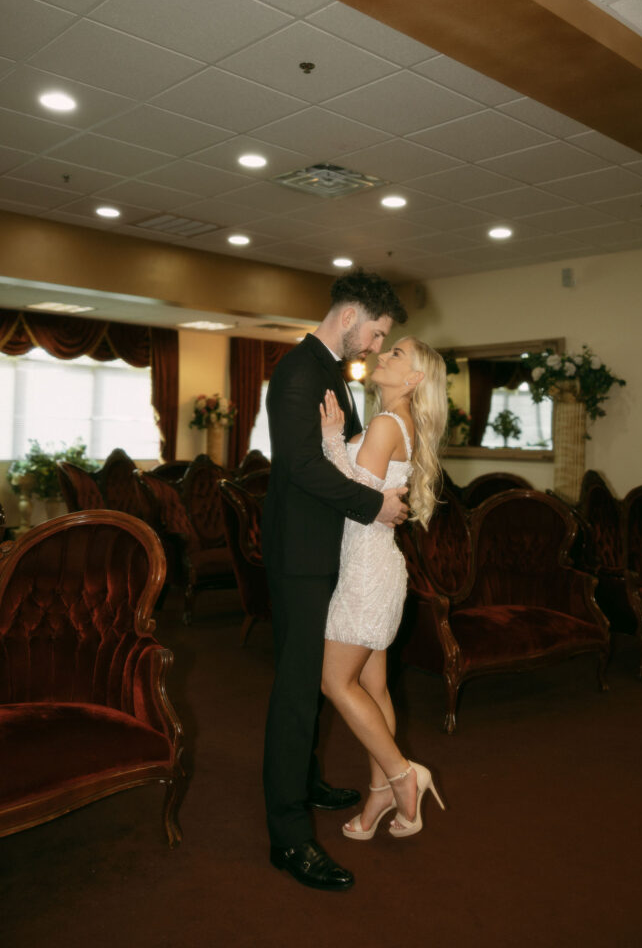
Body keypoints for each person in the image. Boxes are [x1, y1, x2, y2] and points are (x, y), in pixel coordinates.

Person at [262, 268, 408, 892]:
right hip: (301, 554)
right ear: (350, 317)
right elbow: (296, 467)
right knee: (298, 691)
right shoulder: (299, 371)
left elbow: (332, 452)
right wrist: (373, 506)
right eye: (376, 334)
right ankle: (289, 839)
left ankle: (305, 780)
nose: (375, 348)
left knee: (314, 684)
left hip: (328, 552)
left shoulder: (331, 373)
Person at [319, 336, 448, 840]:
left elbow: (354, 494)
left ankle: (401, 774)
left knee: (335, 683)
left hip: (366, 571)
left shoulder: (384, 423)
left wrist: (331, 438)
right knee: (373, 687)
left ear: (413, 380)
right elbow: (372, 492)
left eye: (397, 354)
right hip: (375, 566)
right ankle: (379, 796)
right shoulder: (401, 424)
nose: (384, 356)